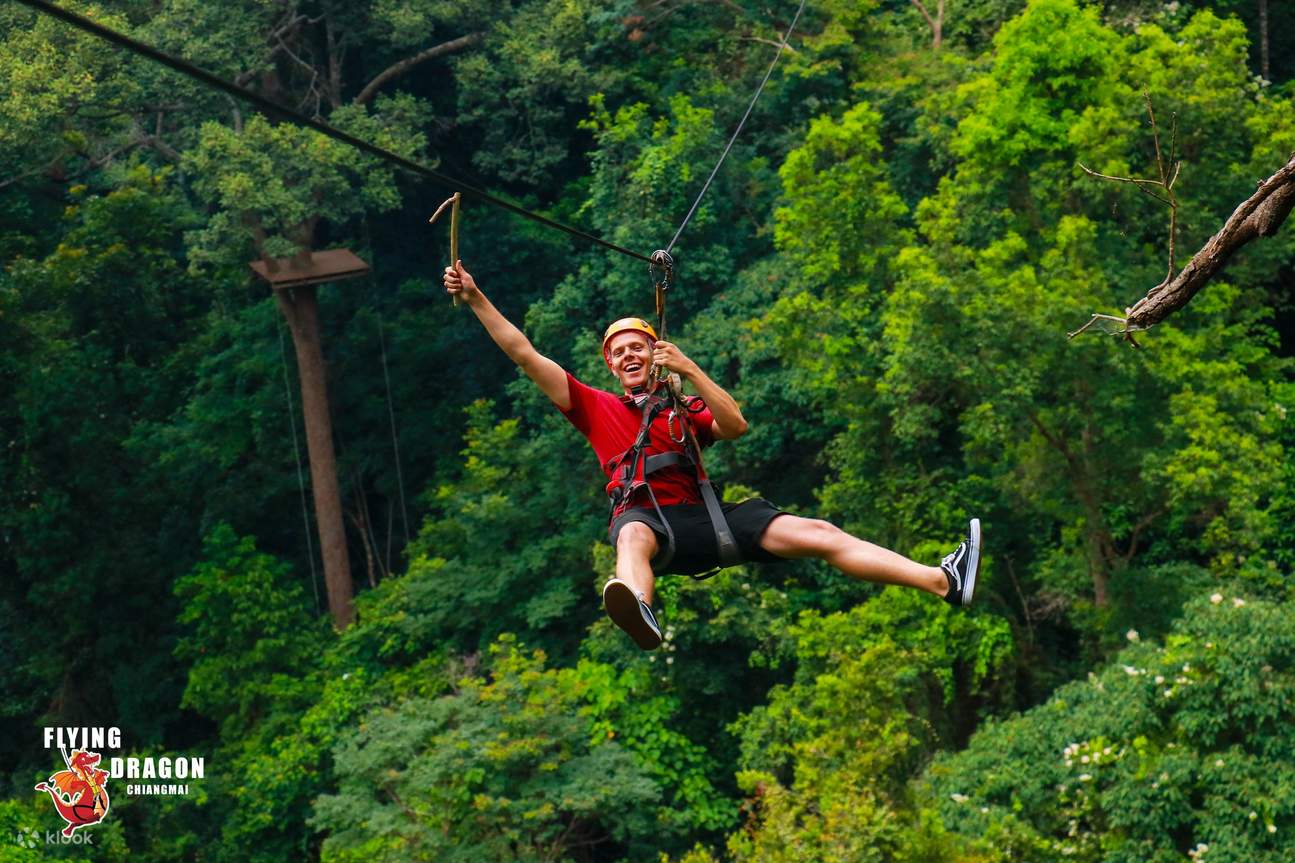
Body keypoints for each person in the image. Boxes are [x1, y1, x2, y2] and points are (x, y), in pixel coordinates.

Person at [443, 260, 981, 650]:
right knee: (629, 533)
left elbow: (736, 424)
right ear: (609, 364)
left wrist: (691, 370)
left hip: (709, 521)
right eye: (619, 352)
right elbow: (522, 351)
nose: (629, 356)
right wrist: (475, 296)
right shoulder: (593, 407)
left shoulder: (684, 404)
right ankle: (643, 610)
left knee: (818, 533)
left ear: (654, 357)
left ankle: (943, 581)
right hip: (651, 524)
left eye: (638, 348)